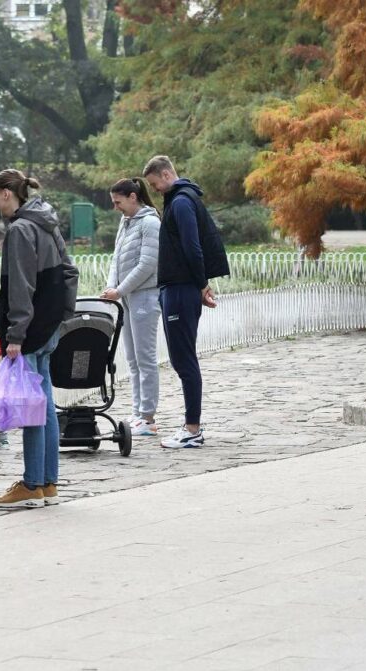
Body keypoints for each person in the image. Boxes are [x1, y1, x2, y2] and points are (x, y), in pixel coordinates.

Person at [0, 169, 79, 509]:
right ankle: (48, 483)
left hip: (30, 331)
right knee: (44, 406)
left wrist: (16, 335)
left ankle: (31, 484)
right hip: (50, 325)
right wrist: (62, 314)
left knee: (31, 410)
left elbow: (20, 287)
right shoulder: (47, 222)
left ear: (7, 195)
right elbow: (70, 272)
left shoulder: (20, 230)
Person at [143, 155, 226, 450]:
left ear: (166, 175)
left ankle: (192, 428)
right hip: (178, 287)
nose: (156, 191)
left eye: (155, 185)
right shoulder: (179, 200)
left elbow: (193, 246)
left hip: (180, 288)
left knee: (184, 359)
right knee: (182, 358)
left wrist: (201, 283)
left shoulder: (180, 202)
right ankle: (191, 426)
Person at [102, 177, 161, 436]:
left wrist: (121, 289)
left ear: (133, 197)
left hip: (145, 297)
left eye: (119, 201)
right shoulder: (125, 222)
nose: (116, 207)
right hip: (125, 298)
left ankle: (148, 416)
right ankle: (138, 411)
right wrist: (112, 286)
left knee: (146, 358)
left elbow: (147, 264)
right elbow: (117, 257)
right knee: (132, 359)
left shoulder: (150, 222)